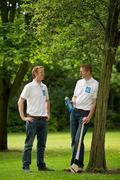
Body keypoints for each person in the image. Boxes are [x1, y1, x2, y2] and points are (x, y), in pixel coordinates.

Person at [18, 66, 54, 172]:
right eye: (41, 72)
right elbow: (20, 101)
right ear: (35, 74)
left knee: (42, 145)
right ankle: (26, 166)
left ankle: (41, 165)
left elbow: (47, 101)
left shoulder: (44, 87)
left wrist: (48, 113)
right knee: (29, 144)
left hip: (43, 121)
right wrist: (23, 117)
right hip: (32, 120)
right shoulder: (29, 86)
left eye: (43, 72)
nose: (43, 74)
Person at [70, 64, 99, 172]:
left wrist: (89, 117)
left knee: (78, 140)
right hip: (74, 113)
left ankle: (77, 165)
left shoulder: (95, 84)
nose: (80, 73)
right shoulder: (79, 82)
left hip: (84, 115)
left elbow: (94, 102)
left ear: (88, 72)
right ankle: (75, 165)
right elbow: (75, 96)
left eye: (82, 71)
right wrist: (73, 100)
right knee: (74, 140)